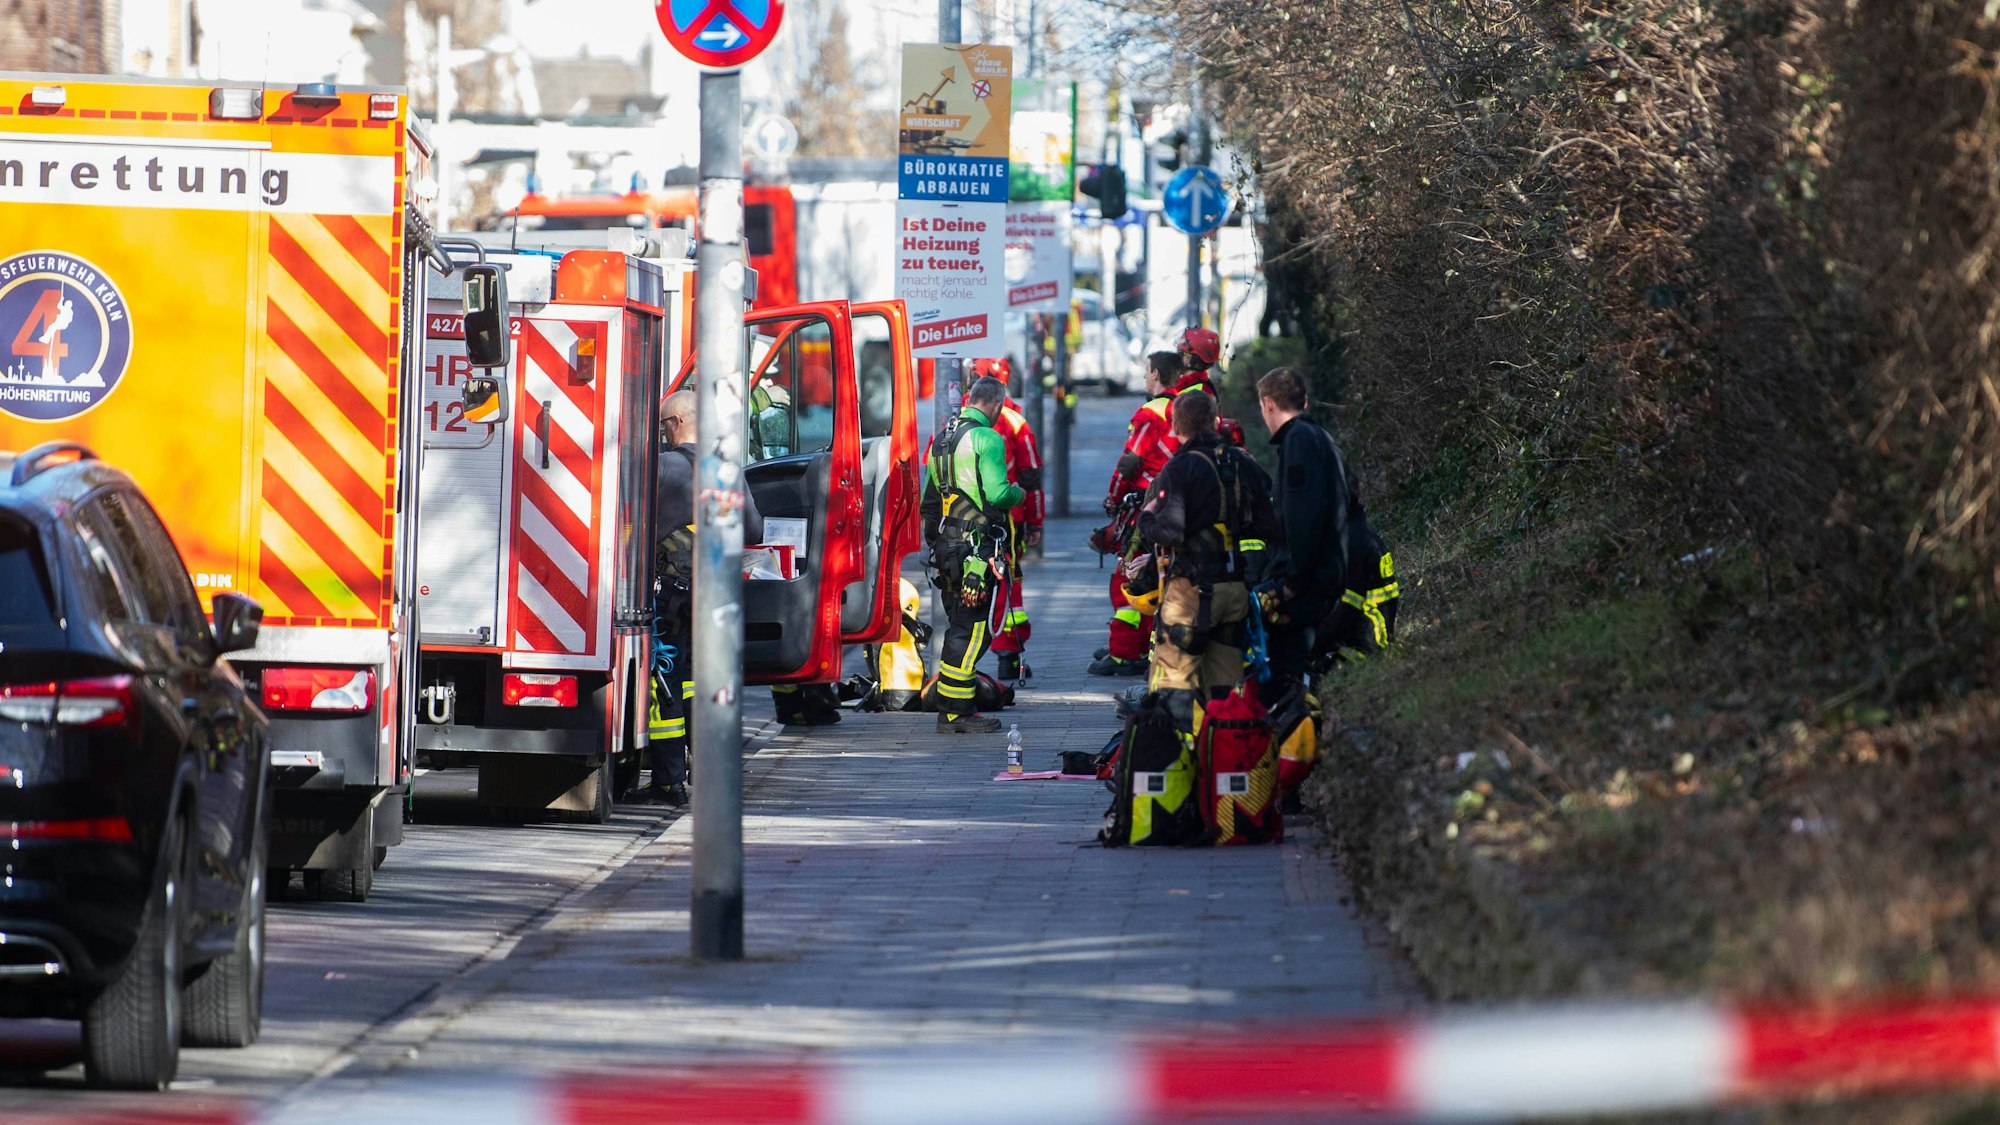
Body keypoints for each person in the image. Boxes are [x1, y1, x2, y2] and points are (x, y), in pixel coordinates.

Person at [1135, 390, 1279, 742]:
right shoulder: (1244, 464)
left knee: (1173, 686)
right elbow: (1270, 526)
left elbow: (1169, 530)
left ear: (1175, 427)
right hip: (1234, 592)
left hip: (1191, 595)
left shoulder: (1180, 469)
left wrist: (1146, 519)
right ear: (1216, 421)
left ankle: (1178, 769)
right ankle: (1226, 771)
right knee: (1226, 692)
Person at [646, 388, 764, 805]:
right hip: (715, 598)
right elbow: (754, 532)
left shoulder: (660, 468)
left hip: (668, 599)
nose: (661, 433)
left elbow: (628, 529)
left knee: (665, 682)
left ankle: (669, 781)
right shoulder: (727, 471)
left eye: (662, 425)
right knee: (702, 681)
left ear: (676, 423)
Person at [920, 375, 1024, 733]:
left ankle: (954, 705)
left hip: (948, 549)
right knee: (972, 629)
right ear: (996, 404)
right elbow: (997, 495)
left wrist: (936, 546)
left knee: (960, 626)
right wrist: (1018, 493)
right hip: (976, 551)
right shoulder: (987, 438)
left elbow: (929, 504)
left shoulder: (942, 439)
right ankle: (954, 713)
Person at [1254, 366, 1352, 698]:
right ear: (1305, 402)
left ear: (1268, 404)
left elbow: (1303, 519)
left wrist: (1290, 584)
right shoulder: (1318, 437)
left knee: (1284, 675)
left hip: (1308, 584)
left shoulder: (1298, 444)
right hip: (1324, 575)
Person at [1090, 351, 1183, 677]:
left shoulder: (1151, 413)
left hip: (1145, 507)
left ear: (1156, 374)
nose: (1144, 377)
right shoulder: (1185, 408)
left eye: (1146, 372)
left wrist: (1114, 499)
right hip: (1177, 506)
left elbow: (1131, 462)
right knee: (1159, 576)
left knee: (1127, 577)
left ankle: (1125, 653)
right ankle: (1147, 648)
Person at [970, 358, 1044, 683]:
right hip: (1006, 526)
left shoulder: (953, 423)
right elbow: (1030, 479)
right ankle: (1008, 657)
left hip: (963, 525)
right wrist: (1036, 522)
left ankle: (964, 666)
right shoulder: (1015, 422)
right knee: (1008, 590)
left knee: (967, 590)